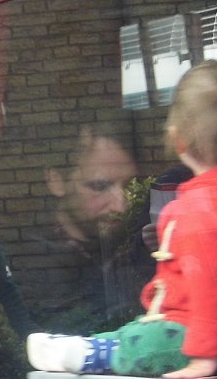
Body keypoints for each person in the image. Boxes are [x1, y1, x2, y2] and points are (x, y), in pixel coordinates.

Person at [27, 60, 217, 379]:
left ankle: (87, 354)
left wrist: (205, 356)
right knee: (139, 330)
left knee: (149, 343)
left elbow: (214, 282)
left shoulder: (201, 205)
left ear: (178, 140)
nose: (122, 203)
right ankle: (88, 347)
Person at [17, 124, 147, 335]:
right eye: (100, 186)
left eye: (130, 185)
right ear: (56, 181)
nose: (121, 206)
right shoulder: (36, 271)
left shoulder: (132, 247)